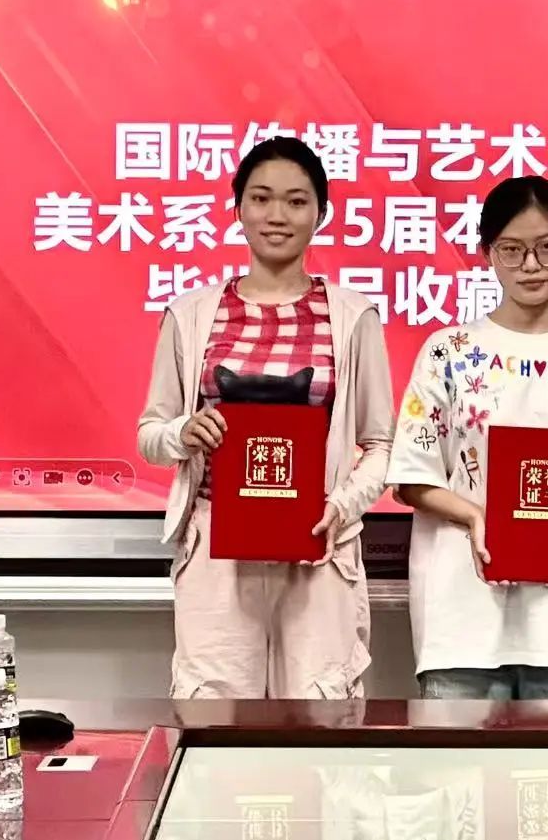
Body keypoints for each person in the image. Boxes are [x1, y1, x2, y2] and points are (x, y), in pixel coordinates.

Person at [136, 136, 394, 699]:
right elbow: (150, 434)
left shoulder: (354, 316)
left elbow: (381, 445)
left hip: (319, 540)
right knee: (214, 713)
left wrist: (341, 504)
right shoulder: (190, 314)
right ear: (238, 209)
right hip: (216, 542)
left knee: (321, 713)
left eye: (297, 201)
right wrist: (183, 432)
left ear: (321, 214)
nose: (277, 215)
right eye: (261, 198)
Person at [386, 176, 548, 700]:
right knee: (458, 756)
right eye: (512, 250)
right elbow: (412, 475)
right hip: (464, 620)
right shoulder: (448, 352)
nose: (531, 265)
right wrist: (475, 517)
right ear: (487, 254)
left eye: (547, 248)